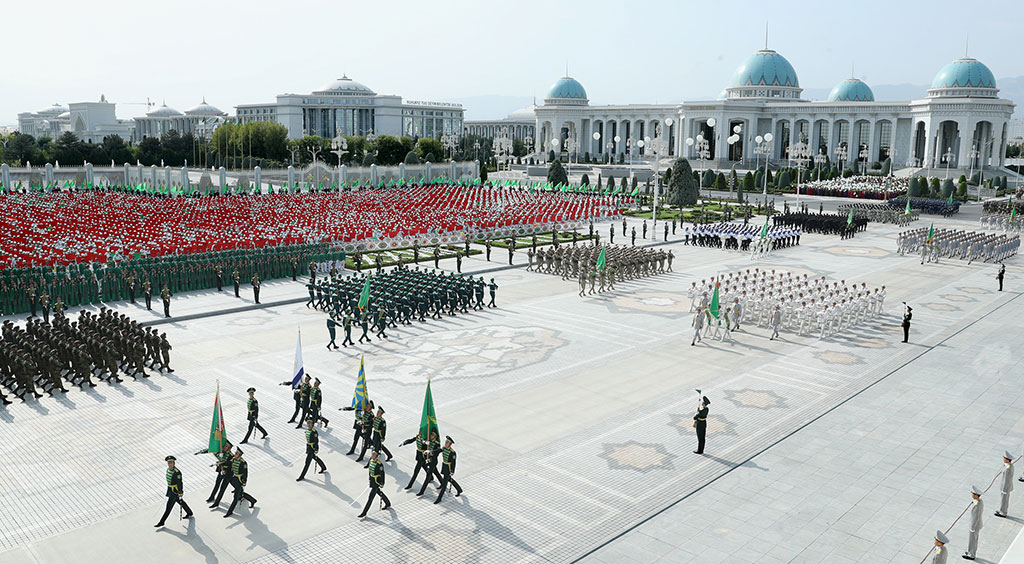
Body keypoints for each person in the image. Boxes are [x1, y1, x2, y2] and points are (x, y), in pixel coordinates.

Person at [155, 455, 193, 527]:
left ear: (174, 463)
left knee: (168, 507)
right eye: (168, 463)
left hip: (175, 491)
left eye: (171, 463)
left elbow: (179, 483)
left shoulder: (177, 472)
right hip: (170, 489)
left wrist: (180, 492)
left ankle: (162, 521)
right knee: (180, 502)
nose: (169, 464)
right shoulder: (168, 469)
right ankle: (189, 512)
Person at [224, 447, 257, 518]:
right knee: (239, 492)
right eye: (235, 453)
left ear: (239, 455)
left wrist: (244, 482)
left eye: (236, 453)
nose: (235, 454)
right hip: (234, 478)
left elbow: (245, 473)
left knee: (235, 497)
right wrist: (220, 463)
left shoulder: (243, 463)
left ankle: (229, 512)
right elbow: (228, 462)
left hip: (239, 480)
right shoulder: (234, 459)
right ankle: (252, 500)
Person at [357, 451, 391, 518]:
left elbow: (382, 474)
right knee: (378, 492)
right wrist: (370, 479)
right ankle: (388, 503)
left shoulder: (379, 464)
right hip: (373, 480)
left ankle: (364, 512)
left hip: (377, 482)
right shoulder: (371, 461)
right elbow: (370, 471)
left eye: (374, 454)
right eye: (372, 454)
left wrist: (382, 483)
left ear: (377, 456)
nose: (372, 455)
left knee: (370, 497)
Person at [433, 435, 463, 504]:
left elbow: (453, 463)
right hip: (444, 466)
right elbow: (438, 450)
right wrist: (431, 451)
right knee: (449, 479)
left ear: (450, 444)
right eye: (446, 442)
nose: (445, 443)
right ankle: (459, 489)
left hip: (448, 468)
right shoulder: (444, 448)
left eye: (447, 443)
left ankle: (439, 498)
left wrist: (452, 471)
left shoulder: (452, 452)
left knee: (444, 485)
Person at [964, 485, 983, 560]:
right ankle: (970, 552)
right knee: (973, 539)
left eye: (973, 493)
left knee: (972, 540)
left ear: (976, 495)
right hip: (976, 525)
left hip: (974, 525)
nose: (972, 494)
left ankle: (971, 554)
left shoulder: (976, 505)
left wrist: (973, 527)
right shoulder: (979, 502)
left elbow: (976, 516)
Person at [996, 451, 1014, 518]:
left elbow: (1007, 480)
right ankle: (1002, 511)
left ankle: (1003, 512)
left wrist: (1004, 489)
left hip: (1005, 487)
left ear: (1007, 459)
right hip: (1006, 487)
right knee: (1004, 500)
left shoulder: (1008, 469)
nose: (1003, 459)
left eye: (1004, 458)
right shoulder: (1009, 466)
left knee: (1004, 500)